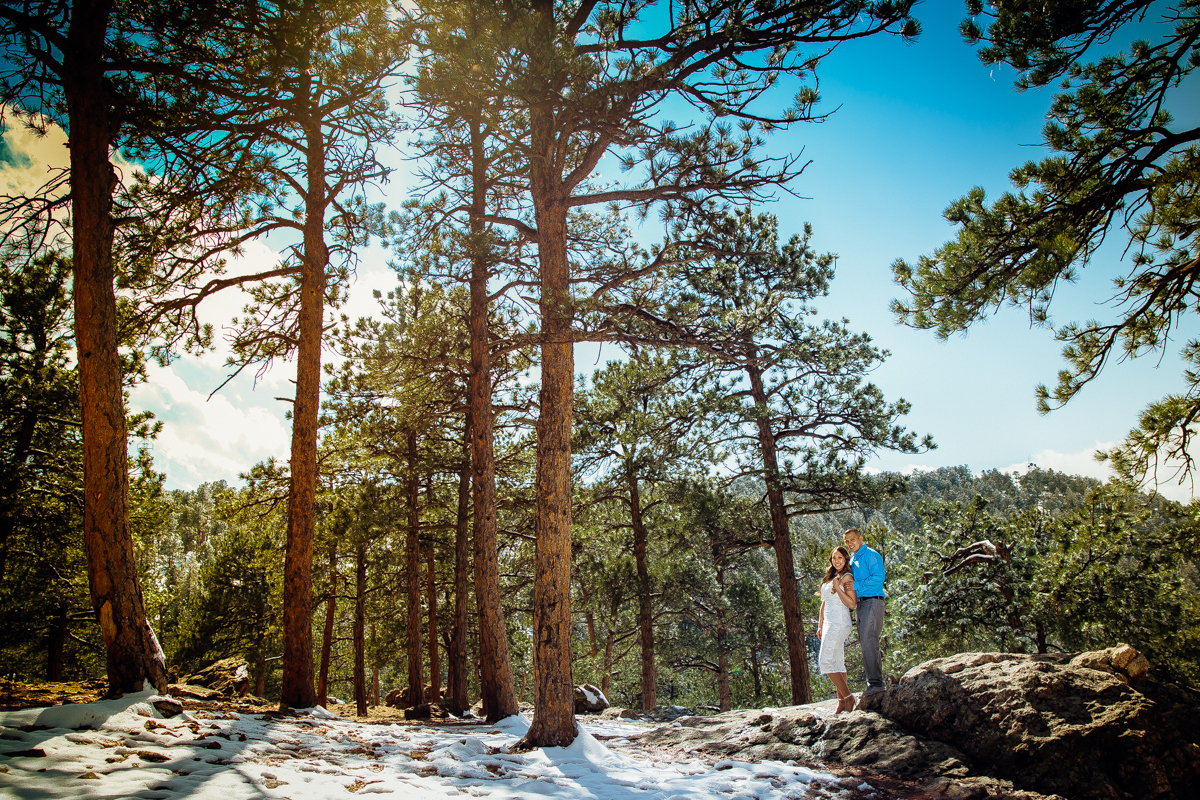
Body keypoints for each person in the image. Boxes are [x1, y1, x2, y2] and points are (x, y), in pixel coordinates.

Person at [843, 527, 885, 694]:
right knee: (866, 641)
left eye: (852, 539)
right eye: (846, 541)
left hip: (873, 601)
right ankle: (873, 681)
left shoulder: (871, 555)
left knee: (869, 640)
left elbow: (878, 578)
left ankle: (876, 683)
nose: (849, 543)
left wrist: (856, 586)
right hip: (861, 604)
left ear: (860, 538)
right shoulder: (853, 559)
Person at [817, 545, 857, 713]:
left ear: (845, 559)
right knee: (837, 662)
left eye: (840, 557)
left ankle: (849, 697)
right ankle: (841, 703)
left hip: (840, 622)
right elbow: (824, 602)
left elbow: (852, 604)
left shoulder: (847, 577)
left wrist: (837, 587)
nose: (837, 561)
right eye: (834, 558)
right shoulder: (831, 576)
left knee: (824, 662)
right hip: (828, 623)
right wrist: (820, 624)